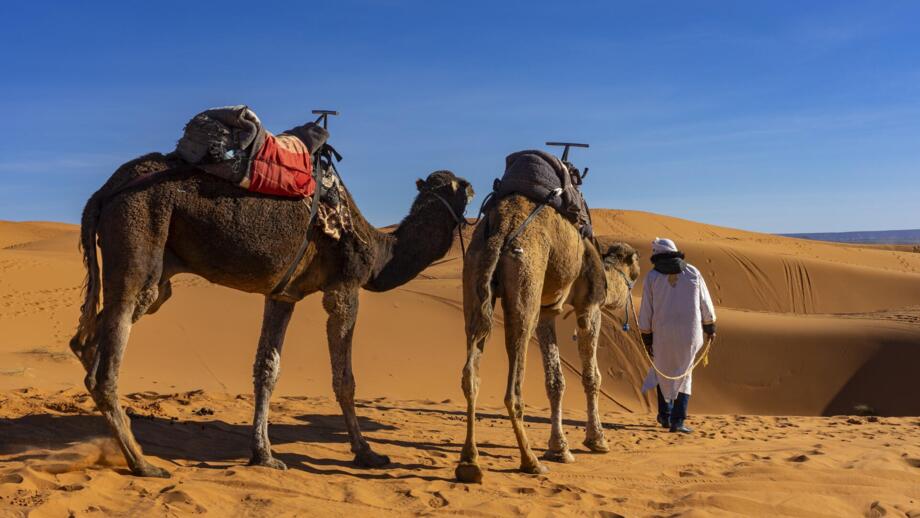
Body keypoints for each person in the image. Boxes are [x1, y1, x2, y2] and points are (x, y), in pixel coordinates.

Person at [638, 237, 716, 433]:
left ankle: (666, 416)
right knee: (684, 373)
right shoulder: (693, 272)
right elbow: (705, 302)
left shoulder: (652, 277)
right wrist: (710, 327)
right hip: (690, 334)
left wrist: (646, 335)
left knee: (662, 371)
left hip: (662, 335)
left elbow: (646, 310)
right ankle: (677, 420)